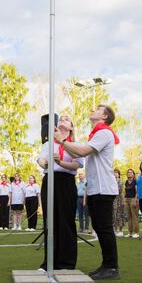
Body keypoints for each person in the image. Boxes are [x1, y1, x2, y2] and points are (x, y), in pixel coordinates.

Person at [55, 104, 120, 281]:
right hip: (96, 188)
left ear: (104, 116)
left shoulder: (104, 133)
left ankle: (112, 267)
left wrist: (62, 140)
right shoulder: (96, 134)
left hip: (104, 187)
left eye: (97, 109)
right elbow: (78, 152)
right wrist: (64, 143)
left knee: (104, 228)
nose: (93, 110)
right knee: (99, 227)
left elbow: (82, 152)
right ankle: (106, 264)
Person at [37, 115, 84, 271]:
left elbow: (77, 165)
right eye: (61, 118)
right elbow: (41, 160)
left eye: (67, 119)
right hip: (50, 180)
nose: (63, 119)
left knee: (66, 222)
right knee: (50, 222)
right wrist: (47, 162)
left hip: (66, 182)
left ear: (71, 126)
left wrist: (60, 162)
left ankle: (66, 263)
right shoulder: (49, 143)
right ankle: (48, 263)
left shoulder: (75, 144)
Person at [124, 169, 139, 238]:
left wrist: (136, 200)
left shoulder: (135, 182)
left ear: (133, 174)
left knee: (134, 217)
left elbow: (137, 191)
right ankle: (130, 232)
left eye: (131, 172)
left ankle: (136, 232)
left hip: (133, 199)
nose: (129, 173)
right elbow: (125, 191)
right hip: (127, 200)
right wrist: (124, 200)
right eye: (128, 172)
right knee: (128, 217)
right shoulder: (126, 182)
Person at [112, 169, 124, 237]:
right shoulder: (111, 181)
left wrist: (122, 200)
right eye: (114, 172)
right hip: (112, 199)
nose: (115, 174)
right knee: (113, 214)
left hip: (119, 199)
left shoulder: (120, 181)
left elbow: (119, 190)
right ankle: (114, 229)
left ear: (119, 174)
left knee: (120, 214)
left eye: (117, 173)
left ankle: (120, 230)